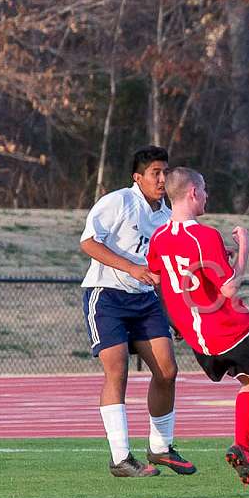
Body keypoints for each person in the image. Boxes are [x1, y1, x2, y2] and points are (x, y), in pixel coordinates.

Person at [146, 167, 249, 487]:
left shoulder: (159, 238)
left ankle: (245, 451)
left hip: (201, 343)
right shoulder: (205, 235)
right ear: (193, 193)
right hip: (231, 329)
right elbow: (228, 288)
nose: (207, 195)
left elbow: (157, 278)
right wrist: (244, 251)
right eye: (205, 189)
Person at [79, 146, 194, 478]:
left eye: (166, 172)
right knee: (117, 372)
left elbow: (169, 266)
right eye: (156, 173)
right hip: (107, 297)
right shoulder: (119, 202)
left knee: (167, 371)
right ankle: (120, 459)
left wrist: (178, 316)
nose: (162, 179)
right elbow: (88, 242)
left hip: (146, 300)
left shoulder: (166, 215)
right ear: (138, 177)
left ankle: (160, 448)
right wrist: (130, 267)